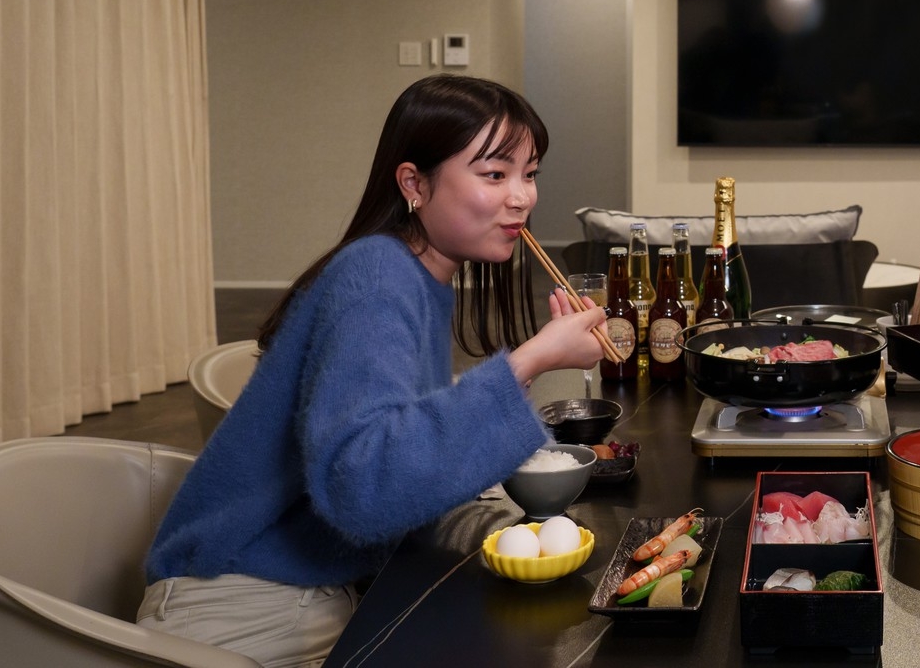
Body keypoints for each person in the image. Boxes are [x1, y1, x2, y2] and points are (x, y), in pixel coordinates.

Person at [140, 76, 608, 667]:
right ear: (414, 183)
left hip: (318, 582)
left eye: (530, 173)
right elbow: (361, 487)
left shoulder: (416, 274)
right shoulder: (377, 277)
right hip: (245, 603)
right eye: (495, 175)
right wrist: (532, 358)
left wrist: (521, 373)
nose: (522, 197)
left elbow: (400, 428)